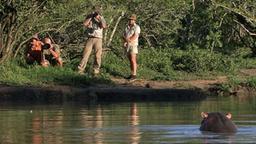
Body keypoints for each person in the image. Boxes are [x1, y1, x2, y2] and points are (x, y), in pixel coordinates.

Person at [77, 6, 107, 75]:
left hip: (98, 38)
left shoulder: (101, 18)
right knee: (85, 54)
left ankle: (96, 71)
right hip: (90, 38)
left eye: (97, 12)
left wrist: (100, 18)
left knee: (97, 56)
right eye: (95, 12)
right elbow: (84, 24)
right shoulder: (90, 17)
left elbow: (104, 26)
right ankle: (80, 70)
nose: (96, 13)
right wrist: (91, 16)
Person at [123, 14, 141, 80]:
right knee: (130, 60)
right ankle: (132, 74)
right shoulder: (126, 27)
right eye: (130, 19)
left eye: (132, 19)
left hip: (133, 45)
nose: (130, 21)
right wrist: (125, 41)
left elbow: (135, 36)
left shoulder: (137, 27)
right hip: (128, 45)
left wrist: (128, 41)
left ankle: (134, 75)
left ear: (134, 20)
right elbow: (124, 36)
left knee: (133, 59)